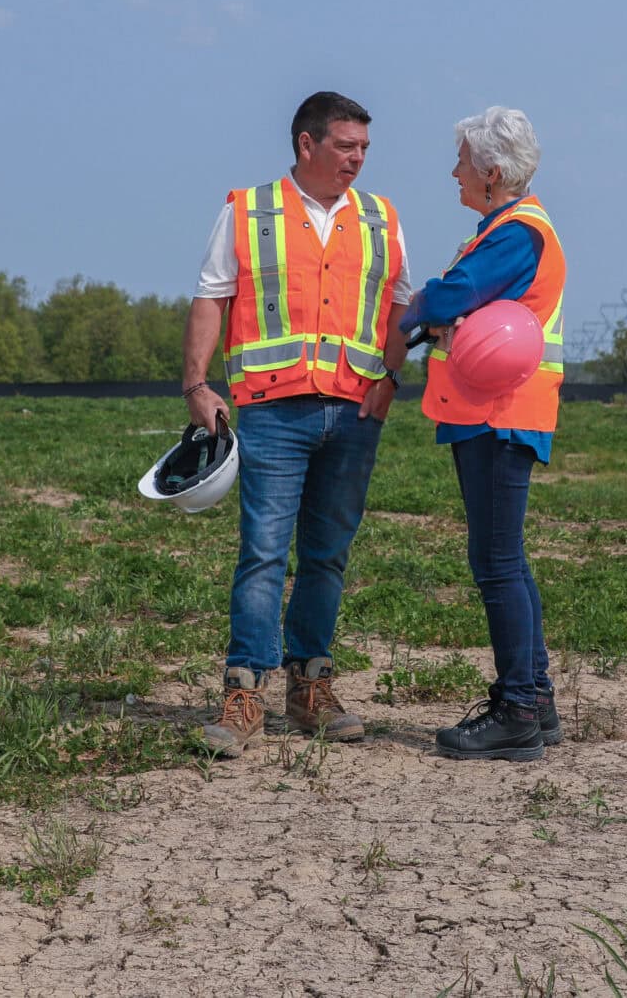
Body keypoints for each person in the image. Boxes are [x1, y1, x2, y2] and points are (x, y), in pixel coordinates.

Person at [180, 91, 413, 757]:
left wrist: (389, 383)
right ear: (307, 144)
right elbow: (210, 297)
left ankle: (310, 684)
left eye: (365, 147)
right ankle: (244, 692)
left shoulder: (382, 217)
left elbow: (401, 306)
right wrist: (197, 384)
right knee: (262, 552)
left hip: (353, 415)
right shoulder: (247, 210)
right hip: (270, 412)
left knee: (327, 555)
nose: (358, 159)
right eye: (346, 146)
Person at [399, 106, 566, 761]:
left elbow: (451, 296)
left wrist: (415, 311)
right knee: (508, 560)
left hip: (499, 414)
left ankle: (517, 711)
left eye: (463, 161)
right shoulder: (509, 228)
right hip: (497, 413)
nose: (454, 171)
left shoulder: (514, 234)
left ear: (492, 173)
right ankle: (538, 698)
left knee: (495, 564)